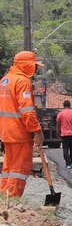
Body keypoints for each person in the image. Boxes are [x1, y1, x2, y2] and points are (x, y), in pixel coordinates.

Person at [0, 51, 44, 197]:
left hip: (7, 132)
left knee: (8, 168)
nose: (35, 69)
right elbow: (27, 111)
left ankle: (3, 196)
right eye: (34, 66)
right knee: (19, 170)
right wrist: (37, 131)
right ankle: (12, 199)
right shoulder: (22, 82)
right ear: (26, 65)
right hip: (20, 133)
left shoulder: (5, 80)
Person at [55, 99, 72, 169]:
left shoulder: (60, 114)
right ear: (70, 105)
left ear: (63, 106)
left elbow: (58, 124)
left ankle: (68, 164)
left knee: (65, 149)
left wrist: (57, 131)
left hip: (64, 134)